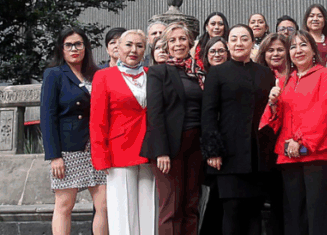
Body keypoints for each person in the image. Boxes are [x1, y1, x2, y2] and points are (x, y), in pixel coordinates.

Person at [260, 31, 327, 235]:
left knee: (319, 216)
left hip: (318, 153)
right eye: (293, 47)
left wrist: (301, 141)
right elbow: (275, 121)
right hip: (288, 156)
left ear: (313, 50)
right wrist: (272, 103)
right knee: (294, 217)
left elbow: (324, 112)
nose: (298, 50)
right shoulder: (286, 80)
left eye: (303, 45)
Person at [201, 24, 273, 235]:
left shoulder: (265, 74)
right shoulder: (217, 73)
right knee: (232, 210)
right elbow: (208, 114)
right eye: (234, 39)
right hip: (228, 154)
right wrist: (212, 150)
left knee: (254, 211)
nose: (239, 43)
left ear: (252, 43)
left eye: (244, 38)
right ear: (228, 43)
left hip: (258, 155)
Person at [41, 27, 108, 235]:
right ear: (61, 49)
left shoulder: (96, 73)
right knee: (64, 204)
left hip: (96, 146)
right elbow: (47, 116)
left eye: (78, 44)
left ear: (85, 47)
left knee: (104, 204)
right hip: (69, 148)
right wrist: (54, 156)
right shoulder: (54, 74)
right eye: (68, 45)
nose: (74, 49)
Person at [91, 29, 155, 235]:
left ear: (145, 50)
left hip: (150, 149)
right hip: (120, 151)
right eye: (128, 45)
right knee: (123, 212)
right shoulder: (103, 76)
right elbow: (97, 120)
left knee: (150, 208)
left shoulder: (152, 74)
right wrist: (101, 157)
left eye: (139, 45)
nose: (133, 50)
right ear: (117, 48)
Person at [144, 22, 204, 235]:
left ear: (190, 42)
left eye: (182, 39)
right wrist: (161, 151)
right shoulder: (158, 72)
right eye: (173, 40)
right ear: (166, 45)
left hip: (196, 145)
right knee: (171, 207)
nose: (178, 44)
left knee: (191, 206)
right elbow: (155, 113)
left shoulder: (197, 72)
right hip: (169, 147)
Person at [254, 32, 290, 235]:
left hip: (290, 144)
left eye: (280, 49)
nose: (275, 54)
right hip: (265, 146)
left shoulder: (295, 77)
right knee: (270, 202)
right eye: (271, 50)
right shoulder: (258, 77)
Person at [198, 35, 228, 235]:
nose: (217, 55)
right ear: (206, 56)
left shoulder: (231, 76)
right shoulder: (198, 77)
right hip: (206, 148)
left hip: (227, 146)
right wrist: (211, 150)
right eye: (213, 51)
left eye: (221, 51)